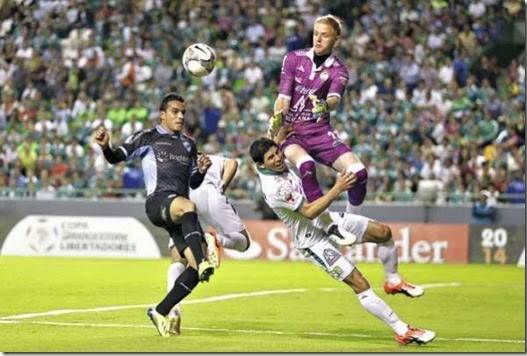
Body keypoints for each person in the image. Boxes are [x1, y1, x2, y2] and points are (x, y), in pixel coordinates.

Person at [248, 127, 435, 345]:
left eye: (277, 153)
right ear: (261, 165)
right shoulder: (274, 188)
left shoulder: (270, 159)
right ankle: (402, 330)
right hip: (314, 240)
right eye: (271, 157)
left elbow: (275, 141)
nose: (278, 158)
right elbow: (309, 212)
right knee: (360, 283)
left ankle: (393, 280)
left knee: (384, 233)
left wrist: (283, 129)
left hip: (329, 220)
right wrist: (338, 188)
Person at [94, 92, 215, 337]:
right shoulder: (147, 138)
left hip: (179, 210)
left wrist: (201, 171)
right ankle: (203, 262)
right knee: (189, 210)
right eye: (175, 112)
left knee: (193, 270)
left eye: (183, 112)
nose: (180, 116)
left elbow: (192, 181)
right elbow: (116, 157)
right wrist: (106, 146)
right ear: (163, 115)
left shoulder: (189, 144)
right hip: (159, 202)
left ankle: (160, 311)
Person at [267, 14, 368, 214]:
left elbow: (334, 99)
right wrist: (278, 115)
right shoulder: (293, 59)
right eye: (315, 34)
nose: (318, 39)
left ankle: (349, 220)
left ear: (336, 40)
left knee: (359, 173)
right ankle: (326, 223)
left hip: (320, 132)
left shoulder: (339, 71)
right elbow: (283, 97)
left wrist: (324, 105)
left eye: (325, 35)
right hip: (291, 132)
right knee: (306, 164)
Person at [166, 153, 253, 335]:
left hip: (184, 203)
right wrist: (221, 186)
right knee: (243, 241)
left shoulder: (171, 161)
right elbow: (232, 163)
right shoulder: (202, 156)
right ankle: (217, 240)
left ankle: (174, 311)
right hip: (209, 193)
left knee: (178, 260)